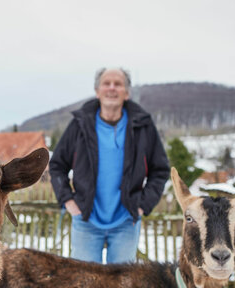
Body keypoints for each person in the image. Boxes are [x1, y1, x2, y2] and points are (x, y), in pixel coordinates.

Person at [49, 67, 170, 264]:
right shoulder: (80, 124)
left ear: (127, 92)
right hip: (86, 219)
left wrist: (142, 206)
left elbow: (160, 170)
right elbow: (57, 166)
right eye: (106, 83)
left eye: (118, 84)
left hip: (125, 222)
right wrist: (68, 201)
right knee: (84, 284)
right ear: (97, 91)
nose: (112, 88)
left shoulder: (142, 126)